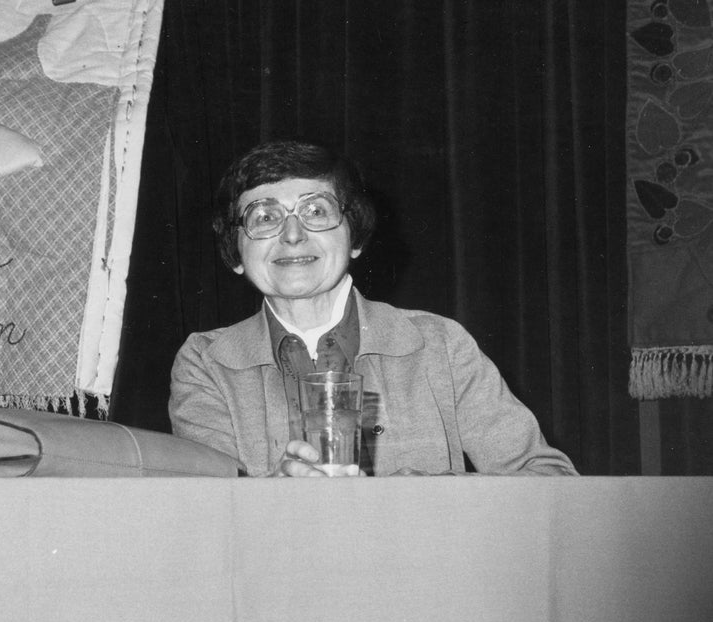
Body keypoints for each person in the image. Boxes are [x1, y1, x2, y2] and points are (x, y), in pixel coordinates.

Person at [170, 140, 576, 477]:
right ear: (236, 253)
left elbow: (548, 479)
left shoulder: (440, 345)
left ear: (356, 237)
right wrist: (275, 497)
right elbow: (208, 514)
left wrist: (409, 500)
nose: (292, 235)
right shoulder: (205, 363)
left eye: (316, 211)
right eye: (264, 217)